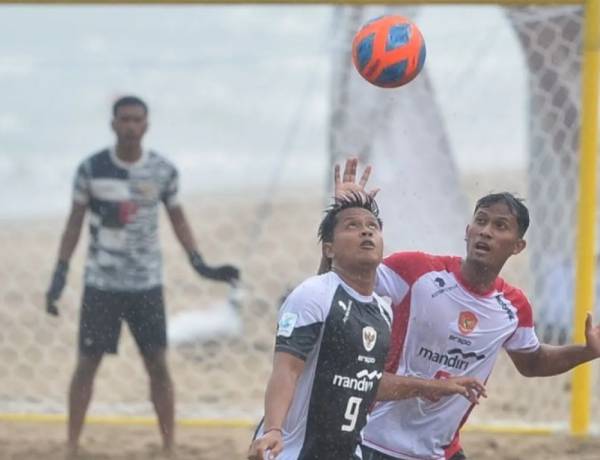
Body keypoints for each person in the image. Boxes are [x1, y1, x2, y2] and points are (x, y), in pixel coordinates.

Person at [332, 158, 600, 460]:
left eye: (500, 226)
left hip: (440, 452)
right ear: (467, 230)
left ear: (517, 246)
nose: (486, 231)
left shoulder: (513, 307)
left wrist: (588, 351)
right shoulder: (416, 271)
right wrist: (343, 218)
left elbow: (533, 363)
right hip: (374, 441)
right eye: (481, 221)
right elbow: (334, 285)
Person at [45, 95, 240, 456]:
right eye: (124, 120)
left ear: (146, 125)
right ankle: (71, 445)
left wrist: (199, 262)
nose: (131, 126)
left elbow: (178, 218)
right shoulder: (92, 169)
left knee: (158, 364)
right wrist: (60, 271)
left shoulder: (163, 171)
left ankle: (168, 446)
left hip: (146, 285)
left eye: (137, 120)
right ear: (113, 124)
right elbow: (74, 223)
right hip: (101, 284)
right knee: (87, 363)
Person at [247, 193, 486, 460]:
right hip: (291, 452)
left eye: (372, 226)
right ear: (329, 249)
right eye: (352, 225)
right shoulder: (312, 294)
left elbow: (368, 383)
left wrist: (435, 386)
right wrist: (273, 429)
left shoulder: (382, 311)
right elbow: (286, 370)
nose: (365, 231)